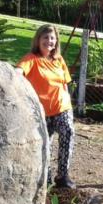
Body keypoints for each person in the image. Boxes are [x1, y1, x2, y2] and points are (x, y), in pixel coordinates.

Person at [16, 24, 76, 189]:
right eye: (45, 38)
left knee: (68, 135)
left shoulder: (59, 60)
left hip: (62, 108)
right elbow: (18, 72)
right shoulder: (31, 59)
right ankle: (46, 177)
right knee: (44, 144)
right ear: (38, 40)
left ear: (56, 41)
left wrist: (67, 102)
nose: (49, 41)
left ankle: (63, 176)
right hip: (41, 112)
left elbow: (64, 84)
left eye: (52, 38)